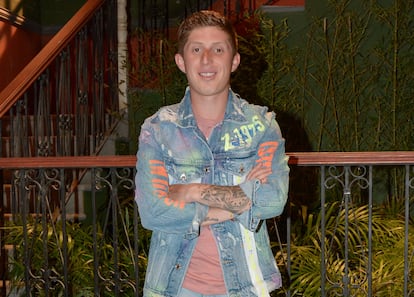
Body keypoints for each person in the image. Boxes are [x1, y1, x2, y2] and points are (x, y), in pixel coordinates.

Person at [135, 10, 289, 297]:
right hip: (175, 287)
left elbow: (271, 201)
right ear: (181, 61)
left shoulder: (261, 126)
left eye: (218, 49)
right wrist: (239, 202)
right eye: (196, 49)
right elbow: (153, 212)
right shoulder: (158, 129)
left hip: (246, 287)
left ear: (234, 61)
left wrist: (190, 190)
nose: (207, 60)